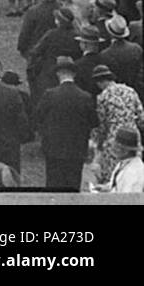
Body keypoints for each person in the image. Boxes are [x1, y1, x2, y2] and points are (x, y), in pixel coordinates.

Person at [34, 56, 98, 190]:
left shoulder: (49, 95)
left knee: (53, 184)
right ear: (74, 74)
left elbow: (38, 117)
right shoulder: (85, 97)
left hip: (53, 148)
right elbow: (94, 122)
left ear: (58, 74)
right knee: (73, 184)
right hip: (76, 149)